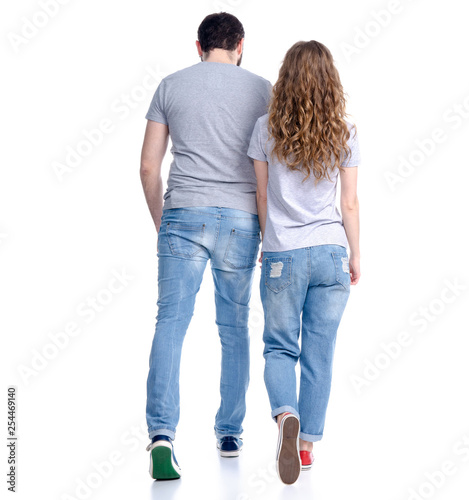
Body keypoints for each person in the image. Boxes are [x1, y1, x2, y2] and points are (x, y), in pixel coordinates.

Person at [140, 12, 272, 479]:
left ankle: (162, 436)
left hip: (182, 215)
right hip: (241, 219)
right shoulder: (263, 90)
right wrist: (268, 227)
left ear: (198, 45)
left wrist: (164, 221)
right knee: (234, 327)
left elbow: (148, 169)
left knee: (170, 324)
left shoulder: (171, 86)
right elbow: (271, 169)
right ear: (240, 45)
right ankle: (231, 432)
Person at [247, 40, 361, 485]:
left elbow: (259, 194)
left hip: (282, 254)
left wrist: (265, 241)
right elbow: (349, 203)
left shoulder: (264, 128)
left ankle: (286, 417)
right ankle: (307, 447)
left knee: (279, 347)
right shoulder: (345, 132)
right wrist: (355, 254)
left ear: (285, 78)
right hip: (332, 253)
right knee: (320, 353)